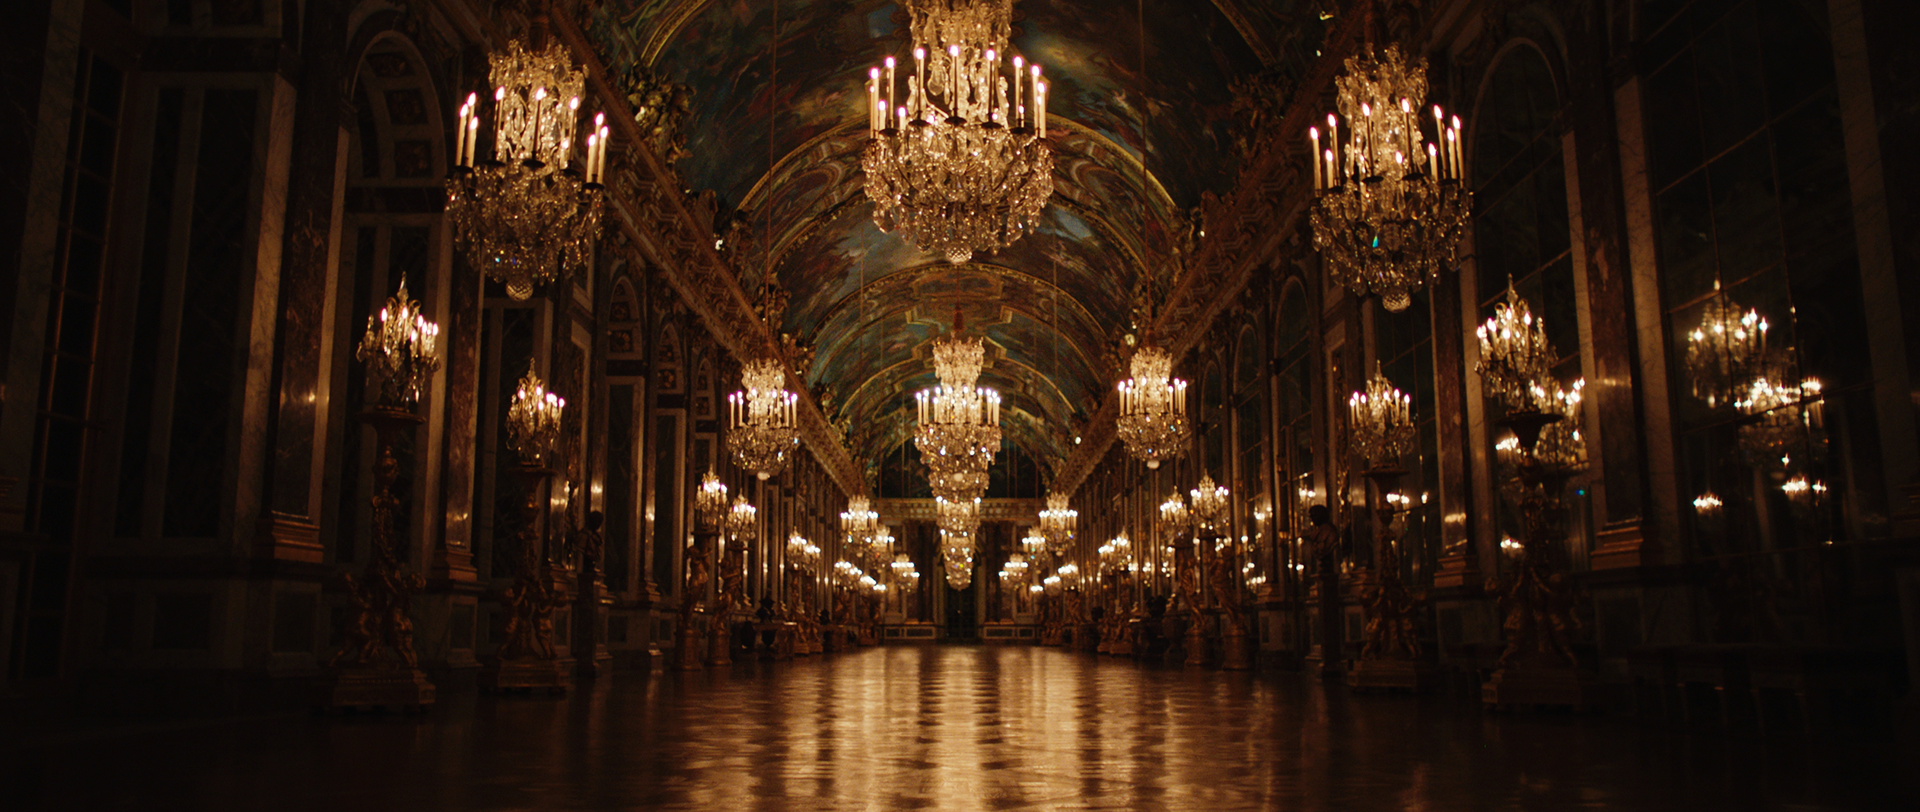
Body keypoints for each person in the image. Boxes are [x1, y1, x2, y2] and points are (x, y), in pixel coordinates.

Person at [1304, 505, 1344, 675]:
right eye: (1310, 515)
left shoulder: (1330, 533)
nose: (1311, 518)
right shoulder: (1317, 534)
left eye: (1314, 515)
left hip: (1331, 585)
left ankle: (1331, 662)